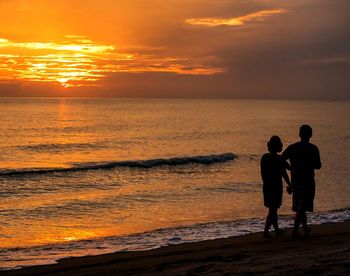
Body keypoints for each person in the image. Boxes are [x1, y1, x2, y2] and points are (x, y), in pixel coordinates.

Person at [282, 125, 321, 237]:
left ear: (299, 134)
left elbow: (281, 159)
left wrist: (291, 168)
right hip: (307, 180)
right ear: (311, 135)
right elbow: (318, 165)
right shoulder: (313, 148)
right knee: (302, 206)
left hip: (296, 180)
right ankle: (295, 231)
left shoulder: (292, 147)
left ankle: (304, 229)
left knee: (300, 205)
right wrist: (308, 163)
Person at [261, 136, 292, 238]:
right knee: (273, 209)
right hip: (276, 186)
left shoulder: (264, 157)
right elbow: (286, 172)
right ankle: (266, 232)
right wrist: (290, 184)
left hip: (267, 186)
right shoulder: (279, 159)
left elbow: (263, 174)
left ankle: (277, 229)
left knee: (273, 209)